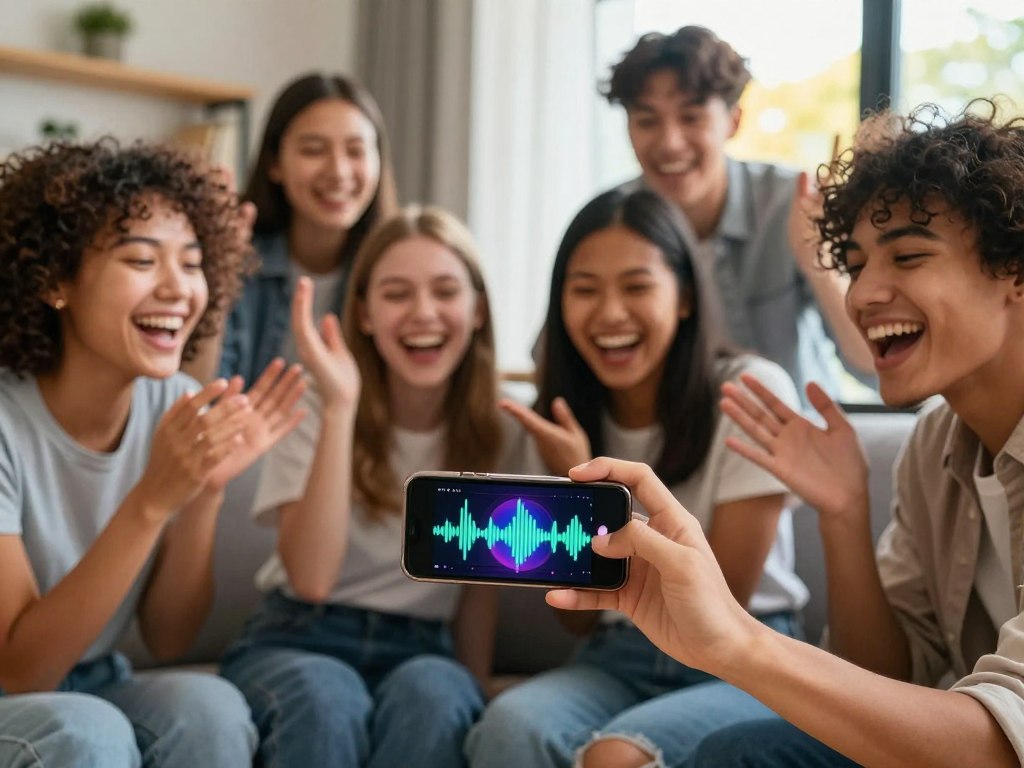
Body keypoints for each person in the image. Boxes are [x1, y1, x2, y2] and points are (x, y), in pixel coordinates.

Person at [548, 103, 1024, 767]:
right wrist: (843, 513)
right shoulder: (936, 444)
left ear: (1014, 271)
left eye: (909, 256)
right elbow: (887, 681)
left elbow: (999, 748)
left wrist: (735, 642)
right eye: (855, 265)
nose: (861, 297)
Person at [465, 188, 808, 768]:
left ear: (685, 298)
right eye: (584, 290)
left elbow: (722, 608)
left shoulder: (751, 391)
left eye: (637, 286)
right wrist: (568, 492)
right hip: (615, 655)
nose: (610, 313)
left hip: (742, 656)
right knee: (509, 726)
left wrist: (595, 500)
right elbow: (572, 623)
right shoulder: (559, 419)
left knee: (618, 754)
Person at [0, 139, 306, 766]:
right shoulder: (6, 421)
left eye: (192, 264)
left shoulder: (178, 405)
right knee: (85, 732)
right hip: (19, 694)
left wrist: (204, 493)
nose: (177, 289)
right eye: (141, 260)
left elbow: (169, 637)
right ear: (55, 280)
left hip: (96, 677)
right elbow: (21, 669)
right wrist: (152, 499)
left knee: (209, 709)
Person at [220, 205, 527, 768]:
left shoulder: (499, 431)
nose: (423, 313)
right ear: (362, 313)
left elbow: (479, 590)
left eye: (445, 291)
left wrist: (474, 685)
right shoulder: (313, 405)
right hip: (302, 634)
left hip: (424, 646)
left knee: (437, 696)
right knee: (324, 700)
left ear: (478, 309)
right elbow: (311, 579)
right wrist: (341, 409)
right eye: (396, 294)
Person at [592, 25, 874, 396]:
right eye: (647, 121)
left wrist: (819, 263)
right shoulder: (611, 222)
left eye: (691, 118)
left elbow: (872, 368)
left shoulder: (792, 203)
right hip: (673, 446)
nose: (670, 143)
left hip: (798, 437)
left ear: (734, 121)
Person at [187, 72, 399, 384]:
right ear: (274, 163)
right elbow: (199, 396)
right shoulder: (239, 259)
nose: (338, 172)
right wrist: (218, 277)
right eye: (314, 150)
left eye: (355, 151)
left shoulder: (396, 268)